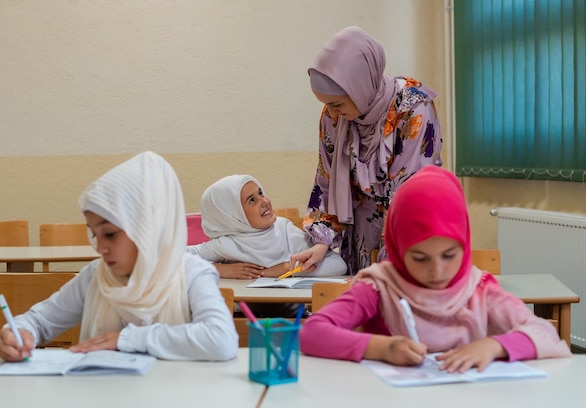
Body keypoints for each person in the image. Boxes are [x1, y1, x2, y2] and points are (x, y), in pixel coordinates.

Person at [299, 166, 571, 373]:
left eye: (449, 255)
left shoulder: (478, 289)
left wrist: (495, 345)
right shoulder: (380, 286)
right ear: (397, 246)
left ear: (464, 245)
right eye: (419, 258)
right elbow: (311, 332)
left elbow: (547, 335)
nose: (437, 271)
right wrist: (383, 348)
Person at [0, 151, 238, 362]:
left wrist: (126, 339)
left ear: (147, 228)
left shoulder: (190, 273)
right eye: (94, 235)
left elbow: (221, 339)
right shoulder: (97, 276)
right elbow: (39, 321)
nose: (100, 248)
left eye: (109, 234)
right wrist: (18, 333)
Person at [291, 26, 443, 275]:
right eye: (325, 105)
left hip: (408, 235)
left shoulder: (413, 108)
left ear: (359, 86)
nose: (331, 114)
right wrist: (322, 242)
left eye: (337, 104)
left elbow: (411, 190)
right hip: (359, 234)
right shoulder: (334, 118)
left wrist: (387, 267)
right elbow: (326, 180)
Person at [187, 174, 346, 318]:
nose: (264, 201)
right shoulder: (226, 243)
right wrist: (221, 269)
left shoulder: (284, 230)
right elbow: (174, 258)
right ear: (231, 215)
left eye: (261, 193)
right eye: (252, 200)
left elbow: (338, 265)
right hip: (243, 318)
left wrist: (287, 269)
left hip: (294, 318)